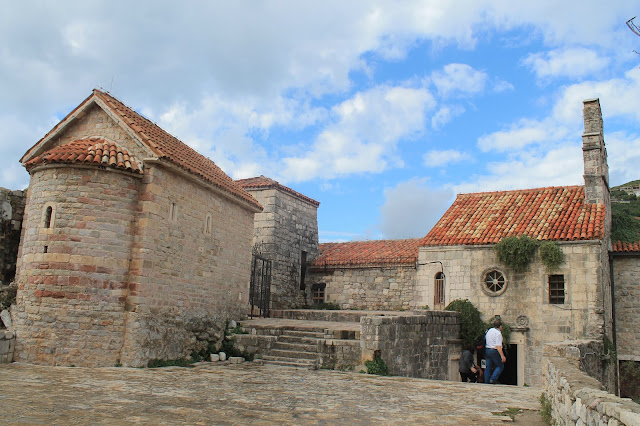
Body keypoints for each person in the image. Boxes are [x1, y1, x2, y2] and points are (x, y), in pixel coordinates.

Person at [484, 318, 506, 384]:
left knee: (488, 367)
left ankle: (487, 382)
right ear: (500, 326)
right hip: (494, 350)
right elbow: (498, 346)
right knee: (500, 366)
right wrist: (502, 356)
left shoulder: (489, 330)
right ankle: (493, 379)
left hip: (487, 349)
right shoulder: (498, 333)